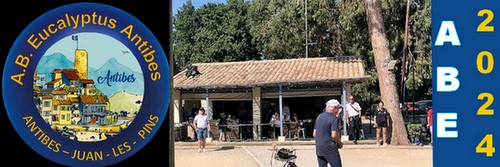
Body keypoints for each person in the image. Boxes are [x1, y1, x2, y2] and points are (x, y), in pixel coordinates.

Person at [313, 99, 343, 167]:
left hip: (319, 148)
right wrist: (339, 143)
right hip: (330, 148)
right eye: (338, 108)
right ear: (334, 108)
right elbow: (334, 135)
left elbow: (314, 133)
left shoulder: (319, 117)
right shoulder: (334, 118)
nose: (338, 111)